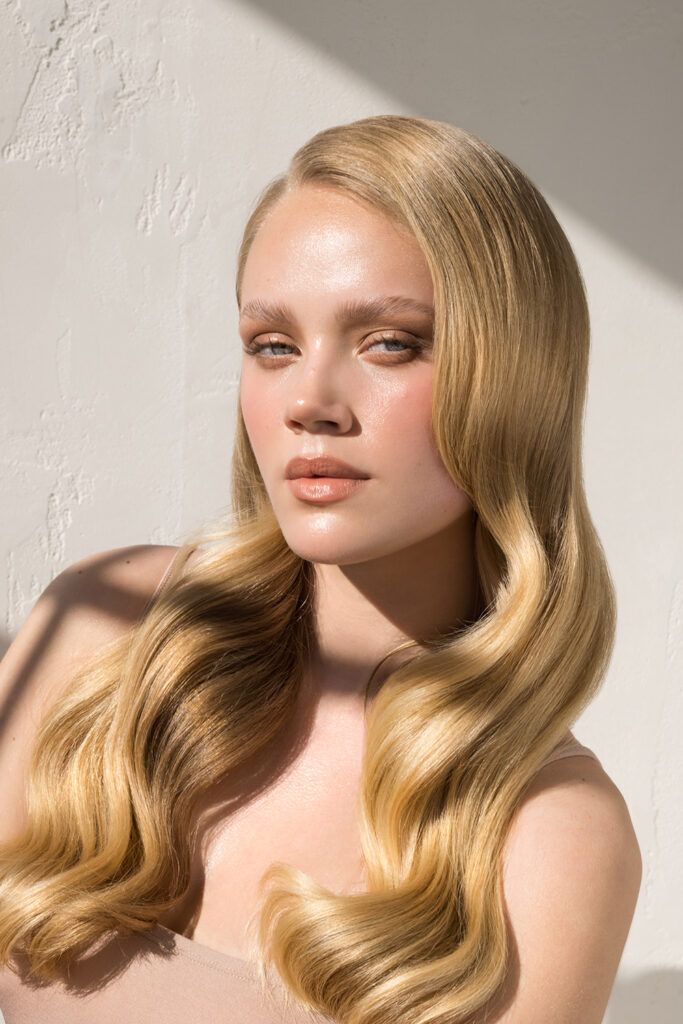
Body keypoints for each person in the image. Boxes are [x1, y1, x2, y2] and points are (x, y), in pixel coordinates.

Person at [0, 114, 642, 1023]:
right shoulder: (106, 633)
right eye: (273, 345)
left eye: (389, 342)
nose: (309, 400)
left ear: (516, 379)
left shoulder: (547, 834)